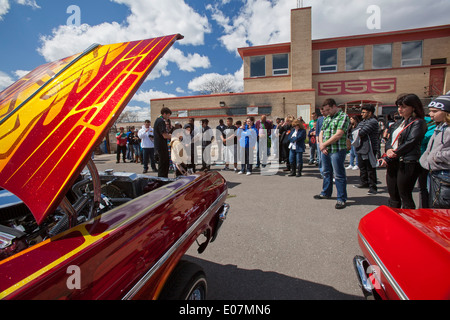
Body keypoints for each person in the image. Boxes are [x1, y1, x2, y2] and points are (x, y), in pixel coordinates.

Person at [379, 94, 427, 209]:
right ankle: (394, 219)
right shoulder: (398, 122)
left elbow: (412, 141)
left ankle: (408, 221)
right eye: (399, 106)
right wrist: (388, 149)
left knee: (404, 194)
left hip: (407, 162)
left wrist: (395, 152)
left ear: (413, 107)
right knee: (393, 194)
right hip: (393, 161)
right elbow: (389, 139)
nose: (400, 109)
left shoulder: (418, 123)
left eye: (404, 107)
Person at [315, 98, 350, 210]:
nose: (327, 112)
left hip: (337, 150)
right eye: (326, 110)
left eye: (328, 109)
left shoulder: (343, 117)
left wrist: (324, 144)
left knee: (339, 175)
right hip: (325, 149)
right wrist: (322, 145)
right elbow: (321, 132)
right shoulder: (328, 118)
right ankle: (326, 192)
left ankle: (341, 198)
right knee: (326, 172)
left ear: (334, 106)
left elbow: (338, 134)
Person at [419, 95, 450, 208]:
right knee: (434, 203)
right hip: (435, 172)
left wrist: (436, 156)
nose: (431, 114)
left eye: (435, 111)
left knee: (441, 208)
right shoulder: (441, 127)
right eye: (430, 111)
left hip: (445, 174)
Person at [353, 105, 380, 195]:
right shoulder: (363, 121)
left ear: (370, 113)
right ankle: (364, 182)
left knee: (370, 167)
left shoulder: (373, 122)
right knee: (362, 166)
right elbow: (355, 131)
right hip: (361, 147)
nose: (362, 114)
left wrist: (357, 132)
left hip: (370, 148)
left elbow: (361, 132)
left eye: (364, 112)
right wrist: (356, 132)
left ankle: (373, 187)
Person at [153, 107, 172, 178]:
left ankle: (163, 179)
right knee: (163, 165)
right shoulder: (161, 121)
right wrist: (174, 137)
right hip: (161, 147)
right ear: (164, 114)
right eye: (168, 115)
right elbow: (164, 135)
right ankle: (162, 181)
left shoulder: (158, 120)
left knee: (163, 165)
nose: (168, 117)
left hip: (160, 146)